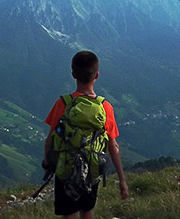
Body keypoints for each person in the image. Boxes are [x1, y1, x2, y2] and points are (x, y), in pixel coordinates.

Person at [42, 50, 129, 219]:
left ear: (73, 74)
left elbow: (50, 140)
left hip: (65, 168)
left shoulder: (63, 103)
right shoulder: (105, 107)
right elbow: (113, 146)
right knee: (87, 210)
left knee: (69, 213)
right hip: (92, 169)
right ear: (96, 75)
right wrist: (122, 180)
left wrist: (49, 164)